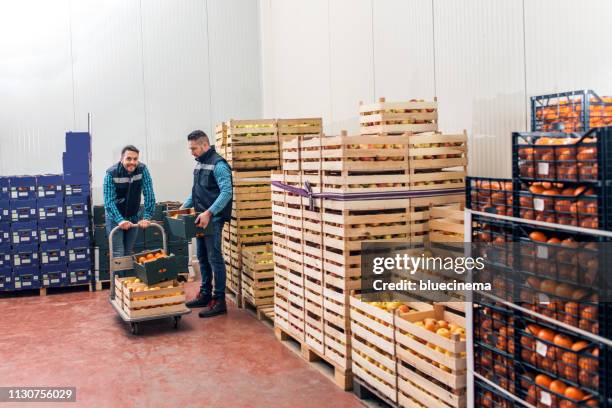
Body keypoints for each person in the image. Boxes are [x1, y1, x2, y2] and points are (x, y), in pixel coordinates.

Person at [183, 130, 233, 318]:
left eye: (194, 148)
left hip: (213, 220)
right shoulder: (201, 163)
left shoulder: (218, 165)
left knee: (215, 258)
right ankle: (205, 294)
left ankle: (219, 301)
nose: (192, 152)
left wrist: (209, 212)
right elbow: (197, 191)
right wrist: (183, 207)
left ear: (205, 145)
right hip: (200, 219)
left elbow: (226, 192)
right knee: (202, 257)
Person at [103, 145, 156, 257]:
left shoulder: (142, 170)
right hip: (114, 218)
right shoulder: (111, 174)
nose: (132, 162)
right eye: (128, 158)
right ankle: (118, 275)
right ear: (122, 159)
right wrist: (120, 220)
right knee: (119, 253)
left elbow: (149, 194)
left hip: (133, 216)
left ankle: (126, 275)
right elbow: (108, 201)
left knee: (128, 253)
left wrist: (147, 217)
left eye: (135, 159)